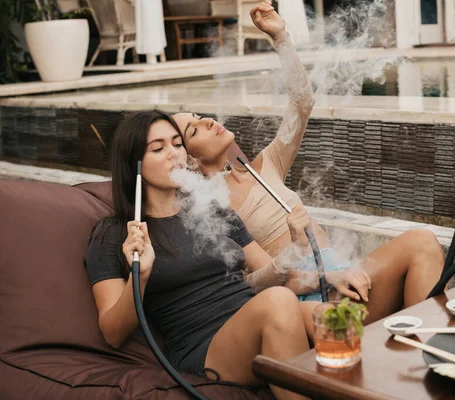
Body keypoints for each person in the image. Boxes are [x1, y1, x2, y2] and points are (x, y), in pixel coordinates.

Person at [172, 1, 445, 325]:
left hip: (345, 273)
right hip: (304, 297)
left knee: (423, 243)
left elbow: (302, 103)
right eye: (194, 129)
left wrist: (281, 38)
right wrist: (319, 278)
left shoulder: (264, 167)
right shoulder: (210, 213)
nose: (207, 121)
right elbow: (243, 285)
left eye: (201, 116)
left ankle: (424, 355)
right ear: (187, 160)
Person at [85, 109, 310, 400]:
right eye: (159, 148)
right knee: (278, 302)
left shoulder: (211, 208)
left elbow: (275, 272)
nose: (174, 154)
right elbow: (112, 333)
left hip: (250, 314)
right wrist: (139, 277)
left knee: (333, 316)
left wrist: (299, 245)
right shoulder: (116, 233)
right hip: (204, 348)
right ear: (135, 165)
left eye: (178, 144)